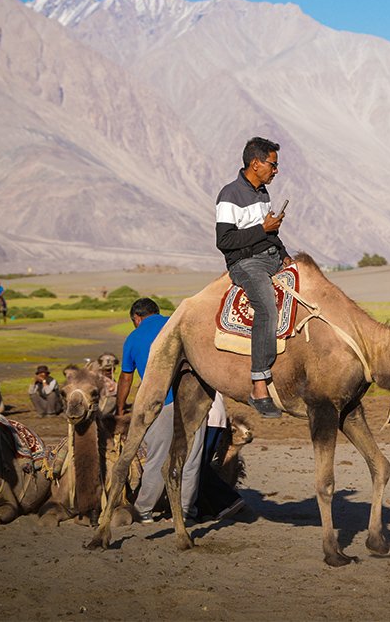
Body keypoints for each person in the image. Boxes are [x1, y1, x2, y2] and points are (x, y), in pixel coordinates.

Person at [215, 136, 293, 418]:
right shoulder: (230, 195)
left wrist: (284, 253)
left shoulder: (262, 193)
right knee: (267, 309)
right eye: (273, 164)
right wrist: (263, 228)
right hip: (246, 263)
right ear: (256, 163)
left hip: (270, 255)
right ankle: (259, 385)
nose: (276, 170)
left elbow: (270, 233)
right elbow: (223, 240)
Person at [116, 297, 205, 524]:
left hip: (162, 403)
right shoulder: (180, 324)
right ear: (157, 312)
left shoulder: (134, 338)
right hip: (195, 402)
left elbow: (126, 377)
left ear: (137, 318)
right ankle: (185, 511)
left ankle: (145, 510)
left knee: (157, 456)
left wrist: (120, 408)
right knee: (191, 457)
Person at [196, 392, 246, 521]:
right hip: (216, 418)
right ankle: (203, 509)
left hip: (207, 419)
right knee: (200, 465)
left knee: (197, 466)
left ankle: (229, 500)